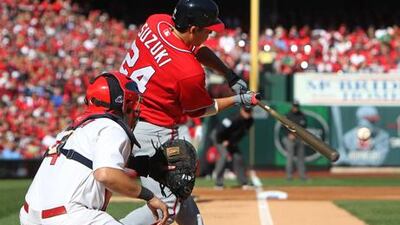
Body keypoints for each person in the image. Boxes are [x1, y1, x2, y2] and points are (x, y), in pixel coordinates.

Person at [118, 0, 258, 224]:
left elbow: (195, 49)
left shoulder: (156, 22)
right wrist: (238, 99)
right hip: (153, 131)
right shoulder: (189, 72)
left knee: (180, 192)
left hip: (120, 115)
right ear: (193, 29)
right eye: (208, 30)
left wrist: (229, 75)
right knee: (165, 208)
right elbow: (201, 110)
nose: (210, 35)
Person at [20, 72, 168, 225]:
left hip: (30, 215)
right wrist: (149, 196)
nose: (135, 110)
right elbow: (106, 174)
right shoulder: (112, 127)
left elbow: (90, 164)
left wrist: (143, 166)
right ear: (122, 104)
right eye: (132, 103)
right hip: (68, 216)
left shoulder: (71, 130)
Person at [211, 107, 254, 189]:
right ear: (242, 110)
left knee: (238, 157)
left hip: (230, 140)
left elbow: (240, 134)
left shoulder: (250, 121)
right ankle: (218, 183)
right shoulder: (233, 118)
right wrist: (222, 141)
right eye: (246, 111)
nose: (247, 114)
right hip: (218, 137)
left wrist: (230, 142)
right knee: (224, 155)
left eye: (249, 112)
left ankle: (244, 182)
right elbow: (220, 130)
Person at [283, 101, 307, 181]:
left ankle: (302, 176)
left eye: (296, 106)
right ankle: (289, 176)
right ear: (292, 106)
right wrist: (289, 134)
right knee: (290, 157)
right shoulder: (288, 115)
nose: (295, 108)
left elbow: (304, 127)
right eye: (294, 106)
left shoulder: (302, 115)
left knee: (301, 158)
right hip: (290, 139)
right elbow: (283, 127)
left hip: (299, 138)